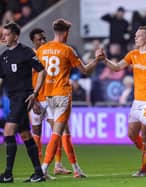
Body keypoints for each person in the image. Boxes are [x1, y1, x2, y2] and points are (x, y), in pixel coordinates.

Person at [96, 25, 146, 177]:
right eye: (135, 35)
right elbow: (116, 68)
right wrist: (103, 60)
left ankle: (143, 169)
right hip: (138, 101)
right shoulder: (133, 54)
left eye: (139, 35)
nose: (135, 38)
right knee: (132, 134)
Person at [36, 18, 99, 178]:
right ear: (65, 32)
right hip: (62, 95)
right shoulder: (67, 50)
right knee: (57, 134)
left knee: (65, 132)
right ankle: (42, 170)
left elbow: (36, 72)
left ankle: (76, 169)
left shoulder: (42, 50)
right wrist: (97, 60)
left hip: (47, 95)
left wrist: (36, 94)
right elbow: (84, 71)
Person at [0, 22, 46, 183]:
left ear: (15, 36)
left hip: (23, 97)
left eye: (6, 34)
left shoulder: (26, 52)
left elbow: (41, 70)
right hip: (12, 99)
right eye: (2, 34)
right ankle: (38, 173)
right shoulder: (4, 56)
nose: (3, 37)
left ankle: (7, 174)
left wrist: (35, 93)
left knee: (8, 130)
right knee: (25, 134)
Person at [29, 28, 72, 176]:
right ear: (33, 42)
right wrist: (33, 99)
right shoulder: (31, 56)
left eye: (43, 38)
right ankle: (38, 168)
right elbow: (27, 80)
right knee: (36, 132)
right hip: (37, 100)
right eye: (39, 39)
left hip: (50, 96)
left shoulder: (47, 53)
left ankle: (58, 165)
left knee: (57, 131)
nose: (42, 41)